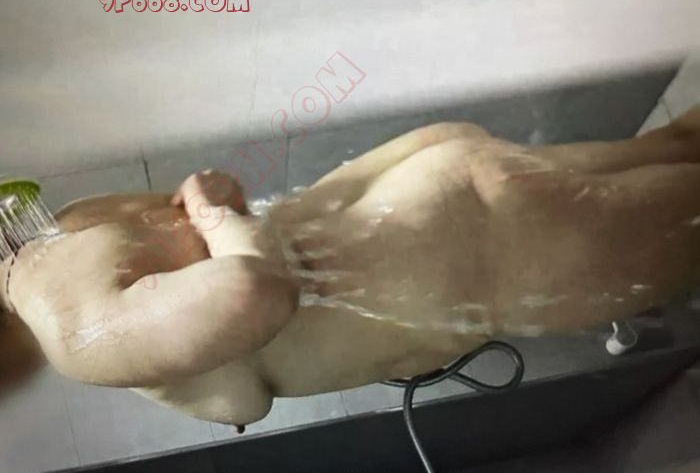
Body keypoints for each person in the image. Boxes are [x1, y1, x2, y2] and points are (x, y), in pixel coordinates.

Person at [1, 105, 699, 426]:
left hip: (483, 254)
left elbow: (251, 294)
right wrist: (214, 210)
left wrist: (213, 217)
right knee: (680, 142)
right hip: (438, 186)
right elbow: (219, 200)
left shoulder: (68, 325)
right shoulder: (68, 220)